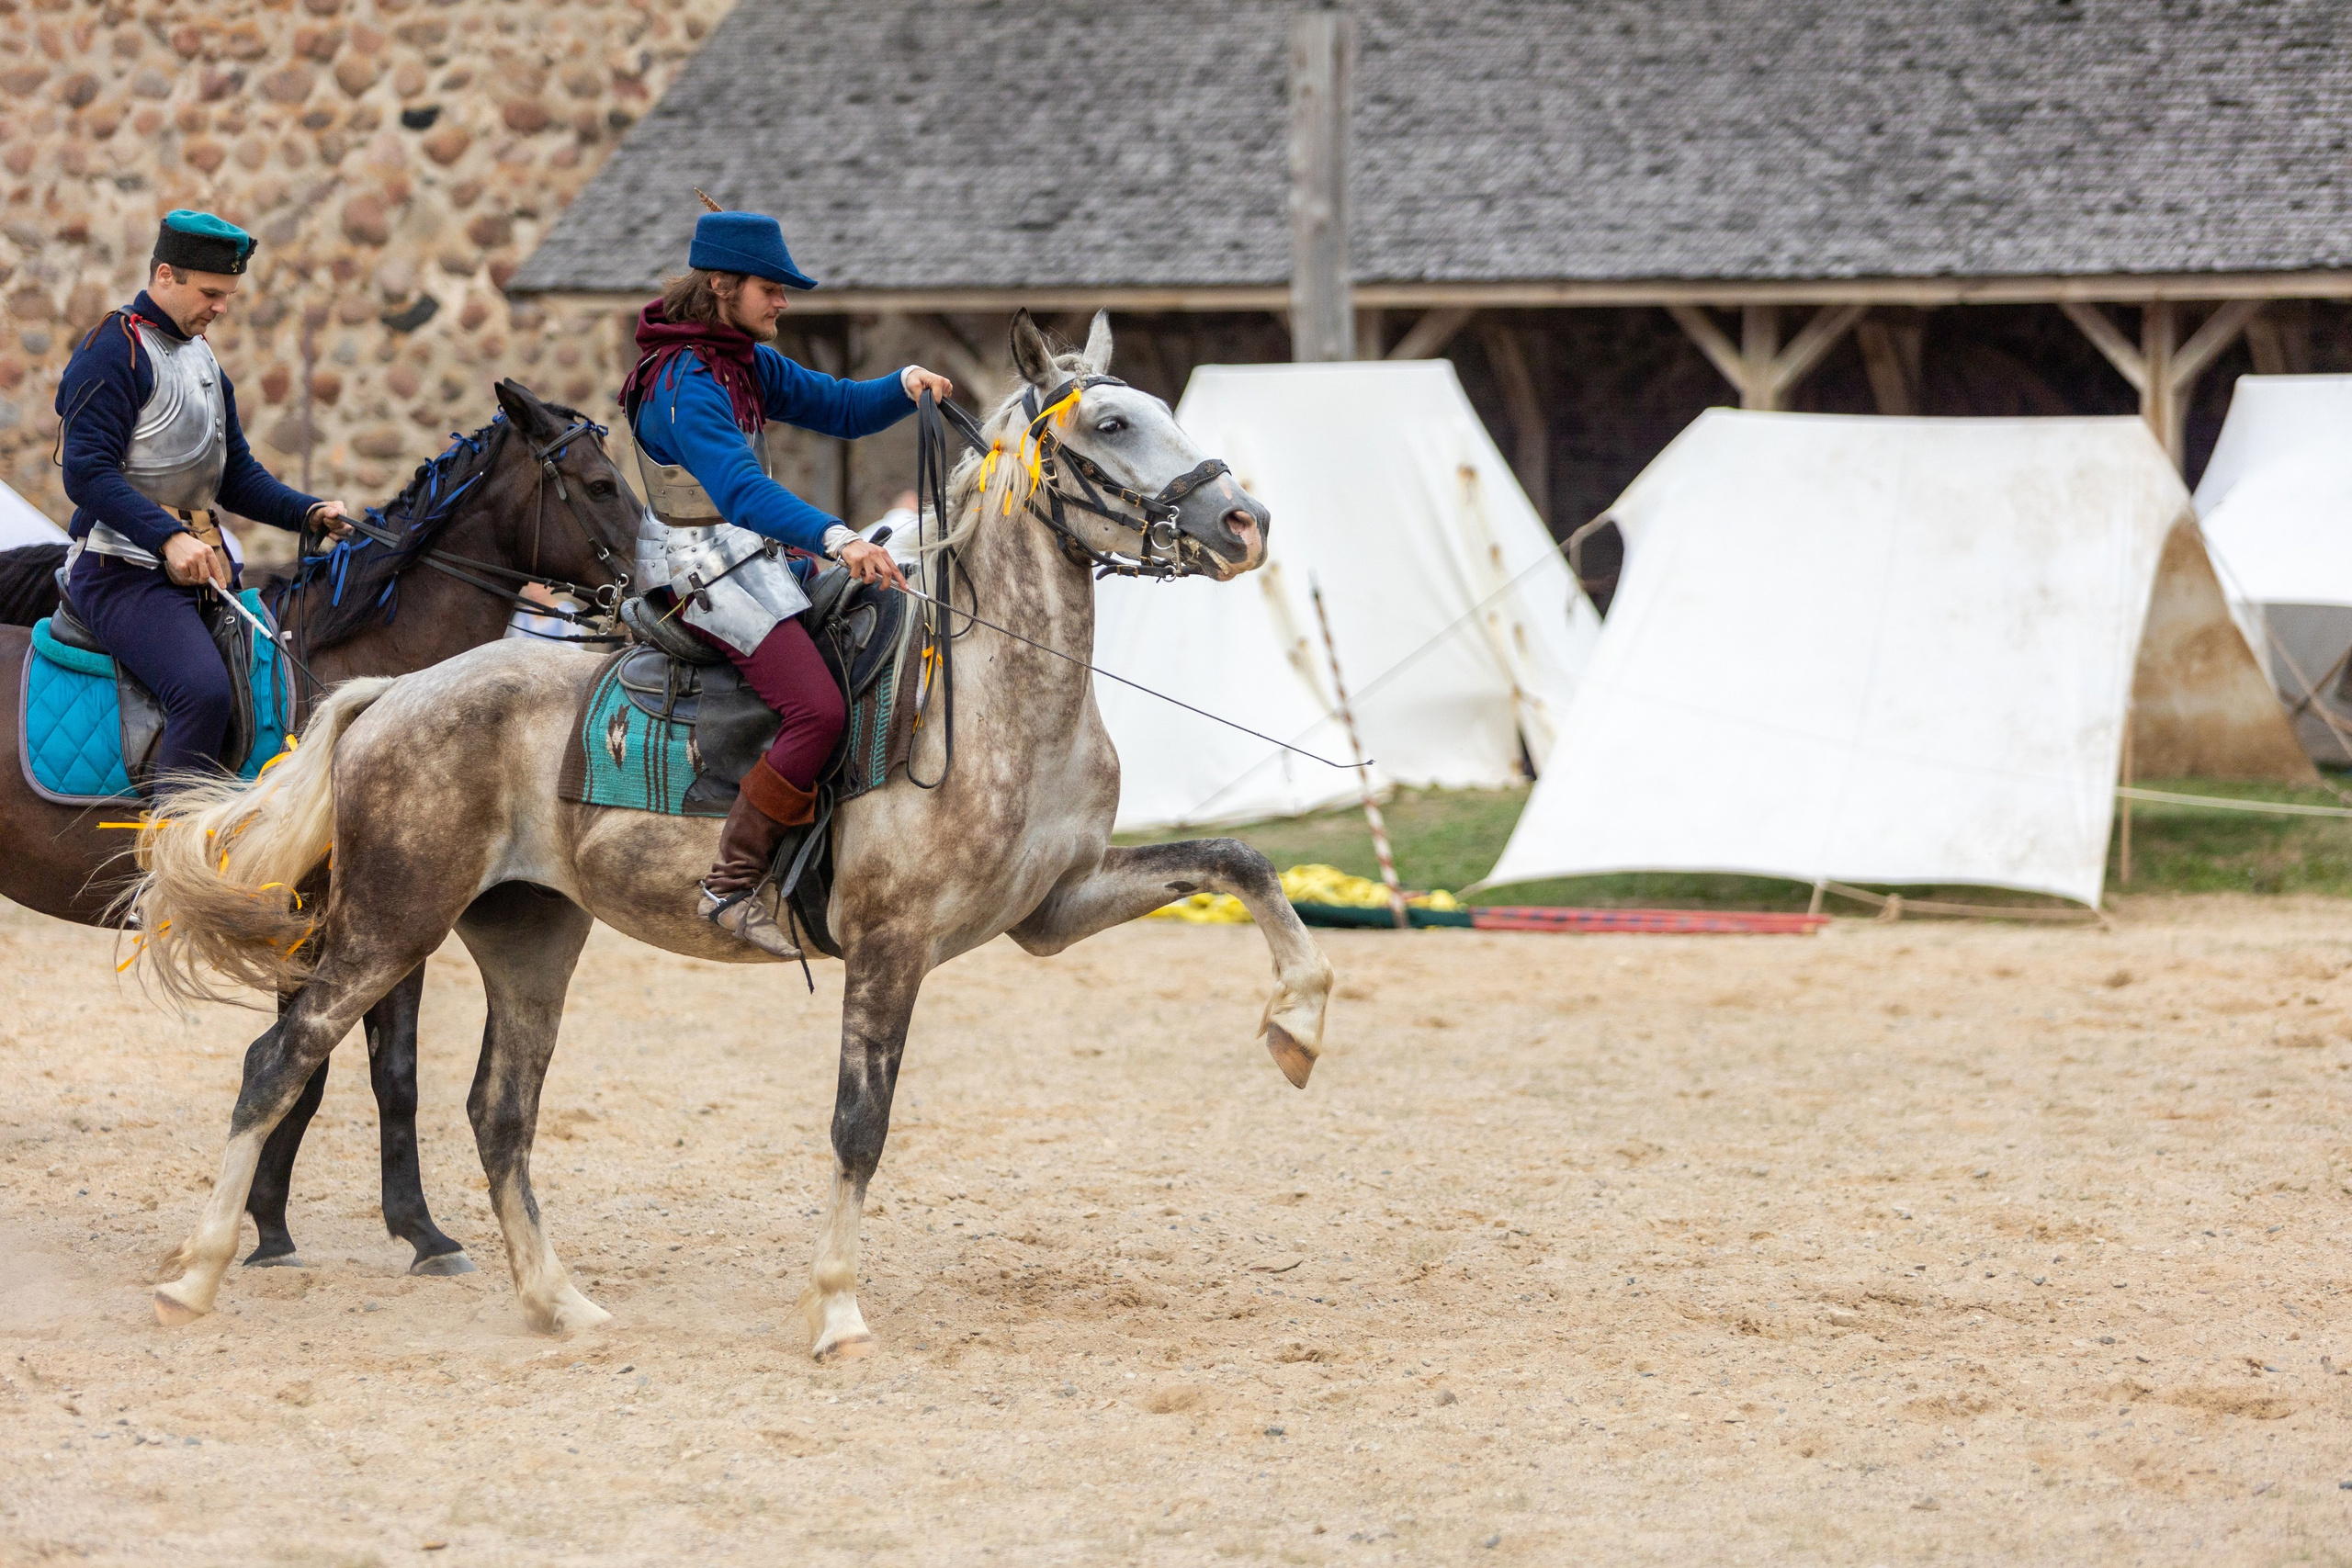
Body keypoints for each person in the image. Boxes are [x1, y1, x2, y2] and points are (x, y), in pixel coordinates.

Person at [619, 206, 952, 958]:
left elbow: (836, 405)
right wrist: (837, 538)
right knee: (817, 710)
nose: (783, 302)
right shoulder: (683, 380)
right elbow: (739, 491)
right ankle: (730, 883)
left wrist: (903, 384)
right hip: (695, 568)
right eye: (771, 288)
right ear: (721, 285)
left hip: (748, 554)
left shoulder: (739, 359)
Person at [52, 209, 353, 781]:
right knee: (203, 692)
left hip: (204, 573)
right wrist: (168, 537)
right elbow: (87, 474)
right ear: (165, 275)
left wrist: (308, 512)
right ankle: (171, 851)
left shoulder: (203, 357)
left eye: (229, 295)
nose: (221, 307)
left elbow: (236, 478)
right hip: (119, 573)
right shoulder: (112, 350)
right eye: (211, 292)